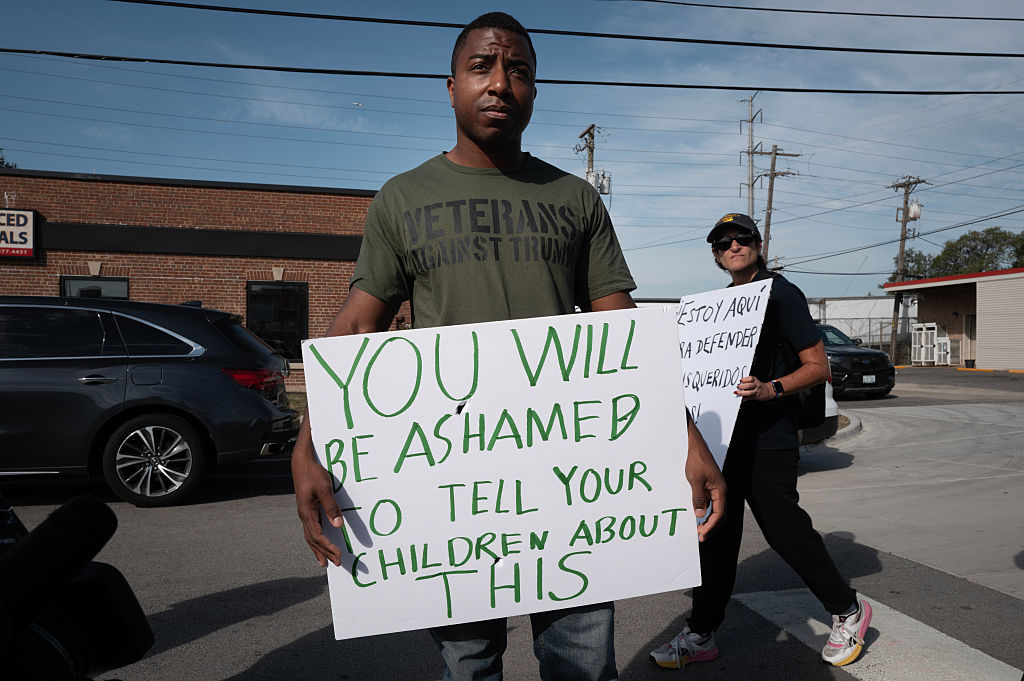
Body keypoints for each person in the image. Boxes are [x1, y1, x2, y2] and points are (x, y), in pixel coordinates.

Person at [290, 12, 726, 681]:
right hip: (451, 490)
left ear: (533, 90)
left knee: (581, 661)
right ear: (451, 85)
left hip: (572, 487)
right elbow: (356, 326)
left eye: (518, 70)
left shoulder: (574, 199)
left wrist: (686, 436)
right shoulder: (402, 199)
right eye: (483, 66)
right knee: (468, 666)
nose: (500, 82)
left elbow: (624, 332)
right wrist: (308, 441)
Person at [650, 213, 872, 670]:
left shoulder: (781, 294)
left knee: (783, 529)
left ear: (758, 243)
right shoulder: (719, 306)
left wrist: (771, 388)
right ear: (715, 255)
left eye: (742, 238)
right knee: (714, 535)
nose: (734, 245)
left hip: (768, 436)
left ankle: (847, 608)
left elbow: (817, 366)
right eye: (723, 242)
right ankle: (701, 633)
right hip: (720, 439)